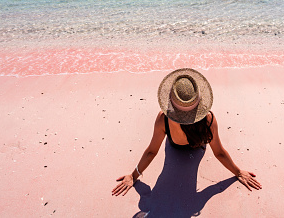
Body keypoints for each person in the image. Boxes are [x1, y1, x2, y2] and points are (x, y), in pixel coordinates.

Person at [112, 68, 262, 196]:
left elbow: (152, 151)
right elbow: (219, 153)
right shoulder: (208, 120)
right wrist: (238, 172)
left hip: (174, 146)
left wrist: (133, 176)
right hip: (199, 146)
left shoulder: (163, 119)